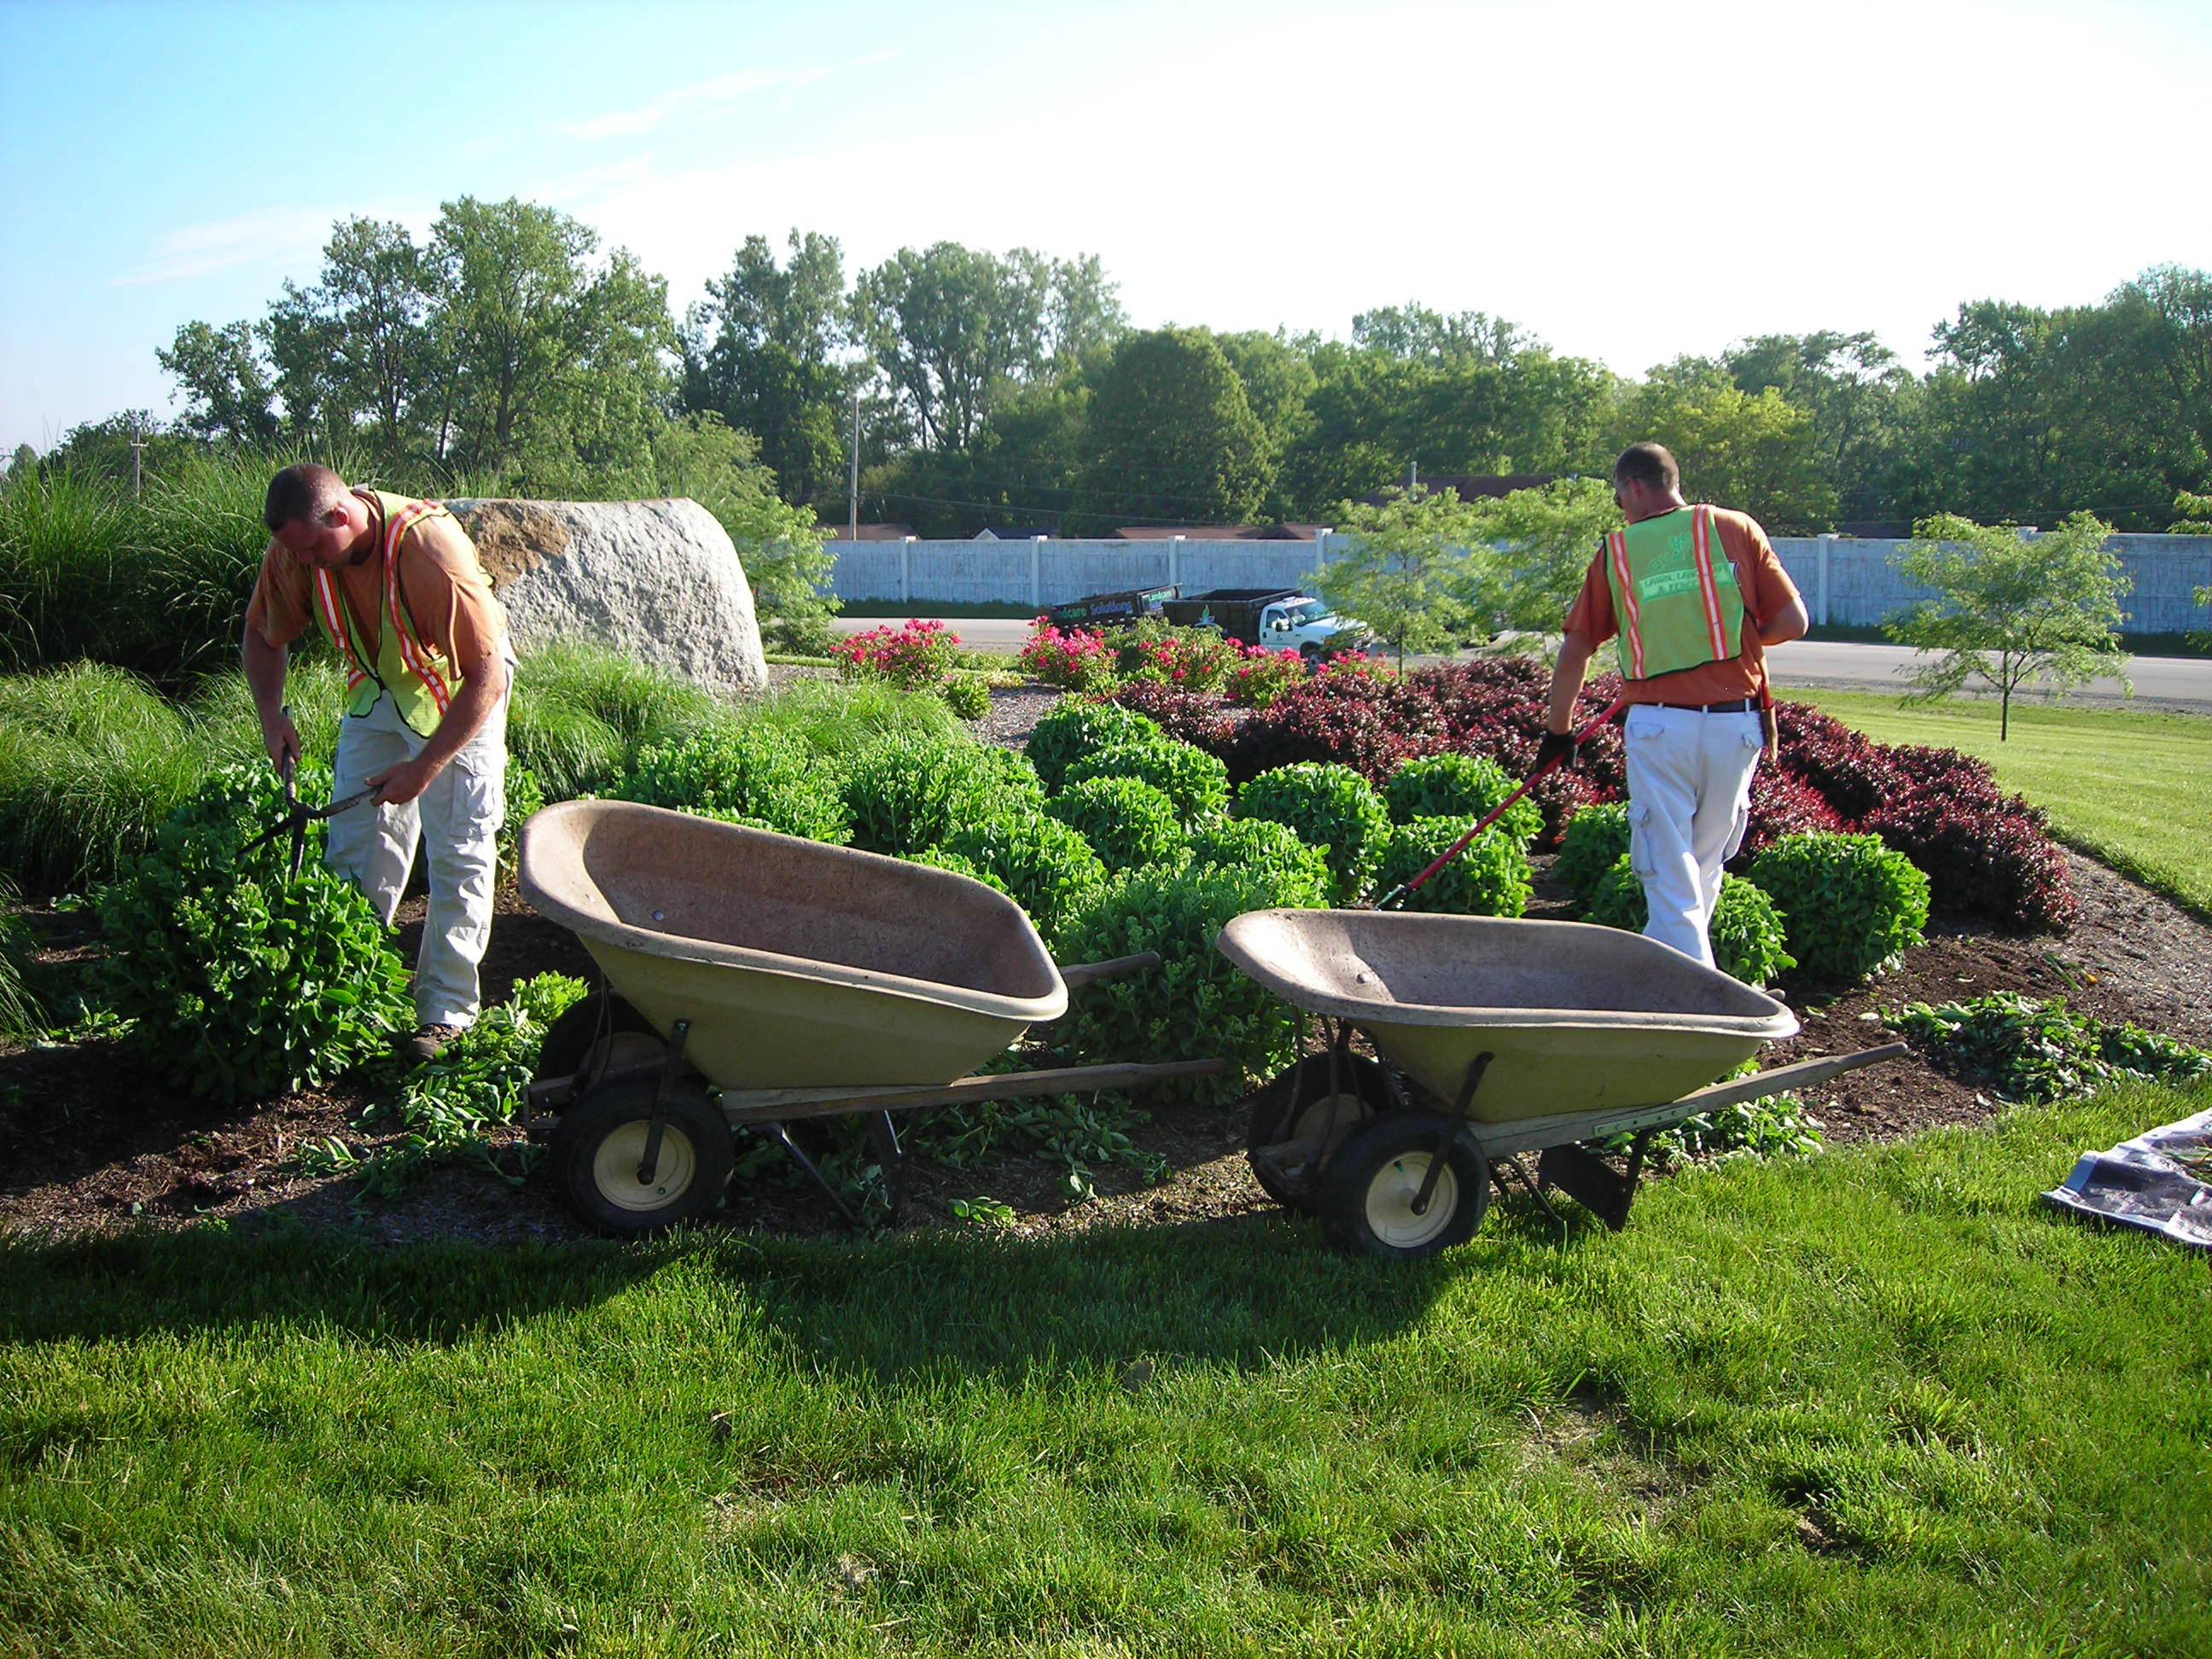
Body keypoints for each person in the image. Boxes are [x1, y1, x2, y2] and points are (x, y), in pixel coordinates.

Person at [242, 463, 512, 1062]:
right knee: (356, 845)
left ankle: (445, 1014)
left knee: (458, 850)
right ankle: (354, 988)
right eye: (295, 552)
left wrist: (425, 769)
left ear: (341, 514)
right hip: (378, 693)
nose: (306, 564)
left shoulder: (427, 547)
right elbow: (263, 634)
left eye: (314, 549)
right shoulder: (296, 547)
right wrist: (271, 715)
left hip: (458, 695)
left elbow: (488, 676)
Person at [1541, 443, 1809, 969]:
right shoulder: (1736, 528)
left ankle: (1692, 992)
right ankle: (1681, 977)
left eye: (1619, 495)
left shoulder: (1620, 551)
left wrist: (1558, 732)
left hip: (1660, 728)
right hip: (1737, 729)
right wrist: (1736, 641)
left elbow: (1576, 649)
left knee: (1668, 866)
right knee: (1702, 864)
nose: (1621, 508)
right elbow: (1794, 622)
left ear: (1634, 487)